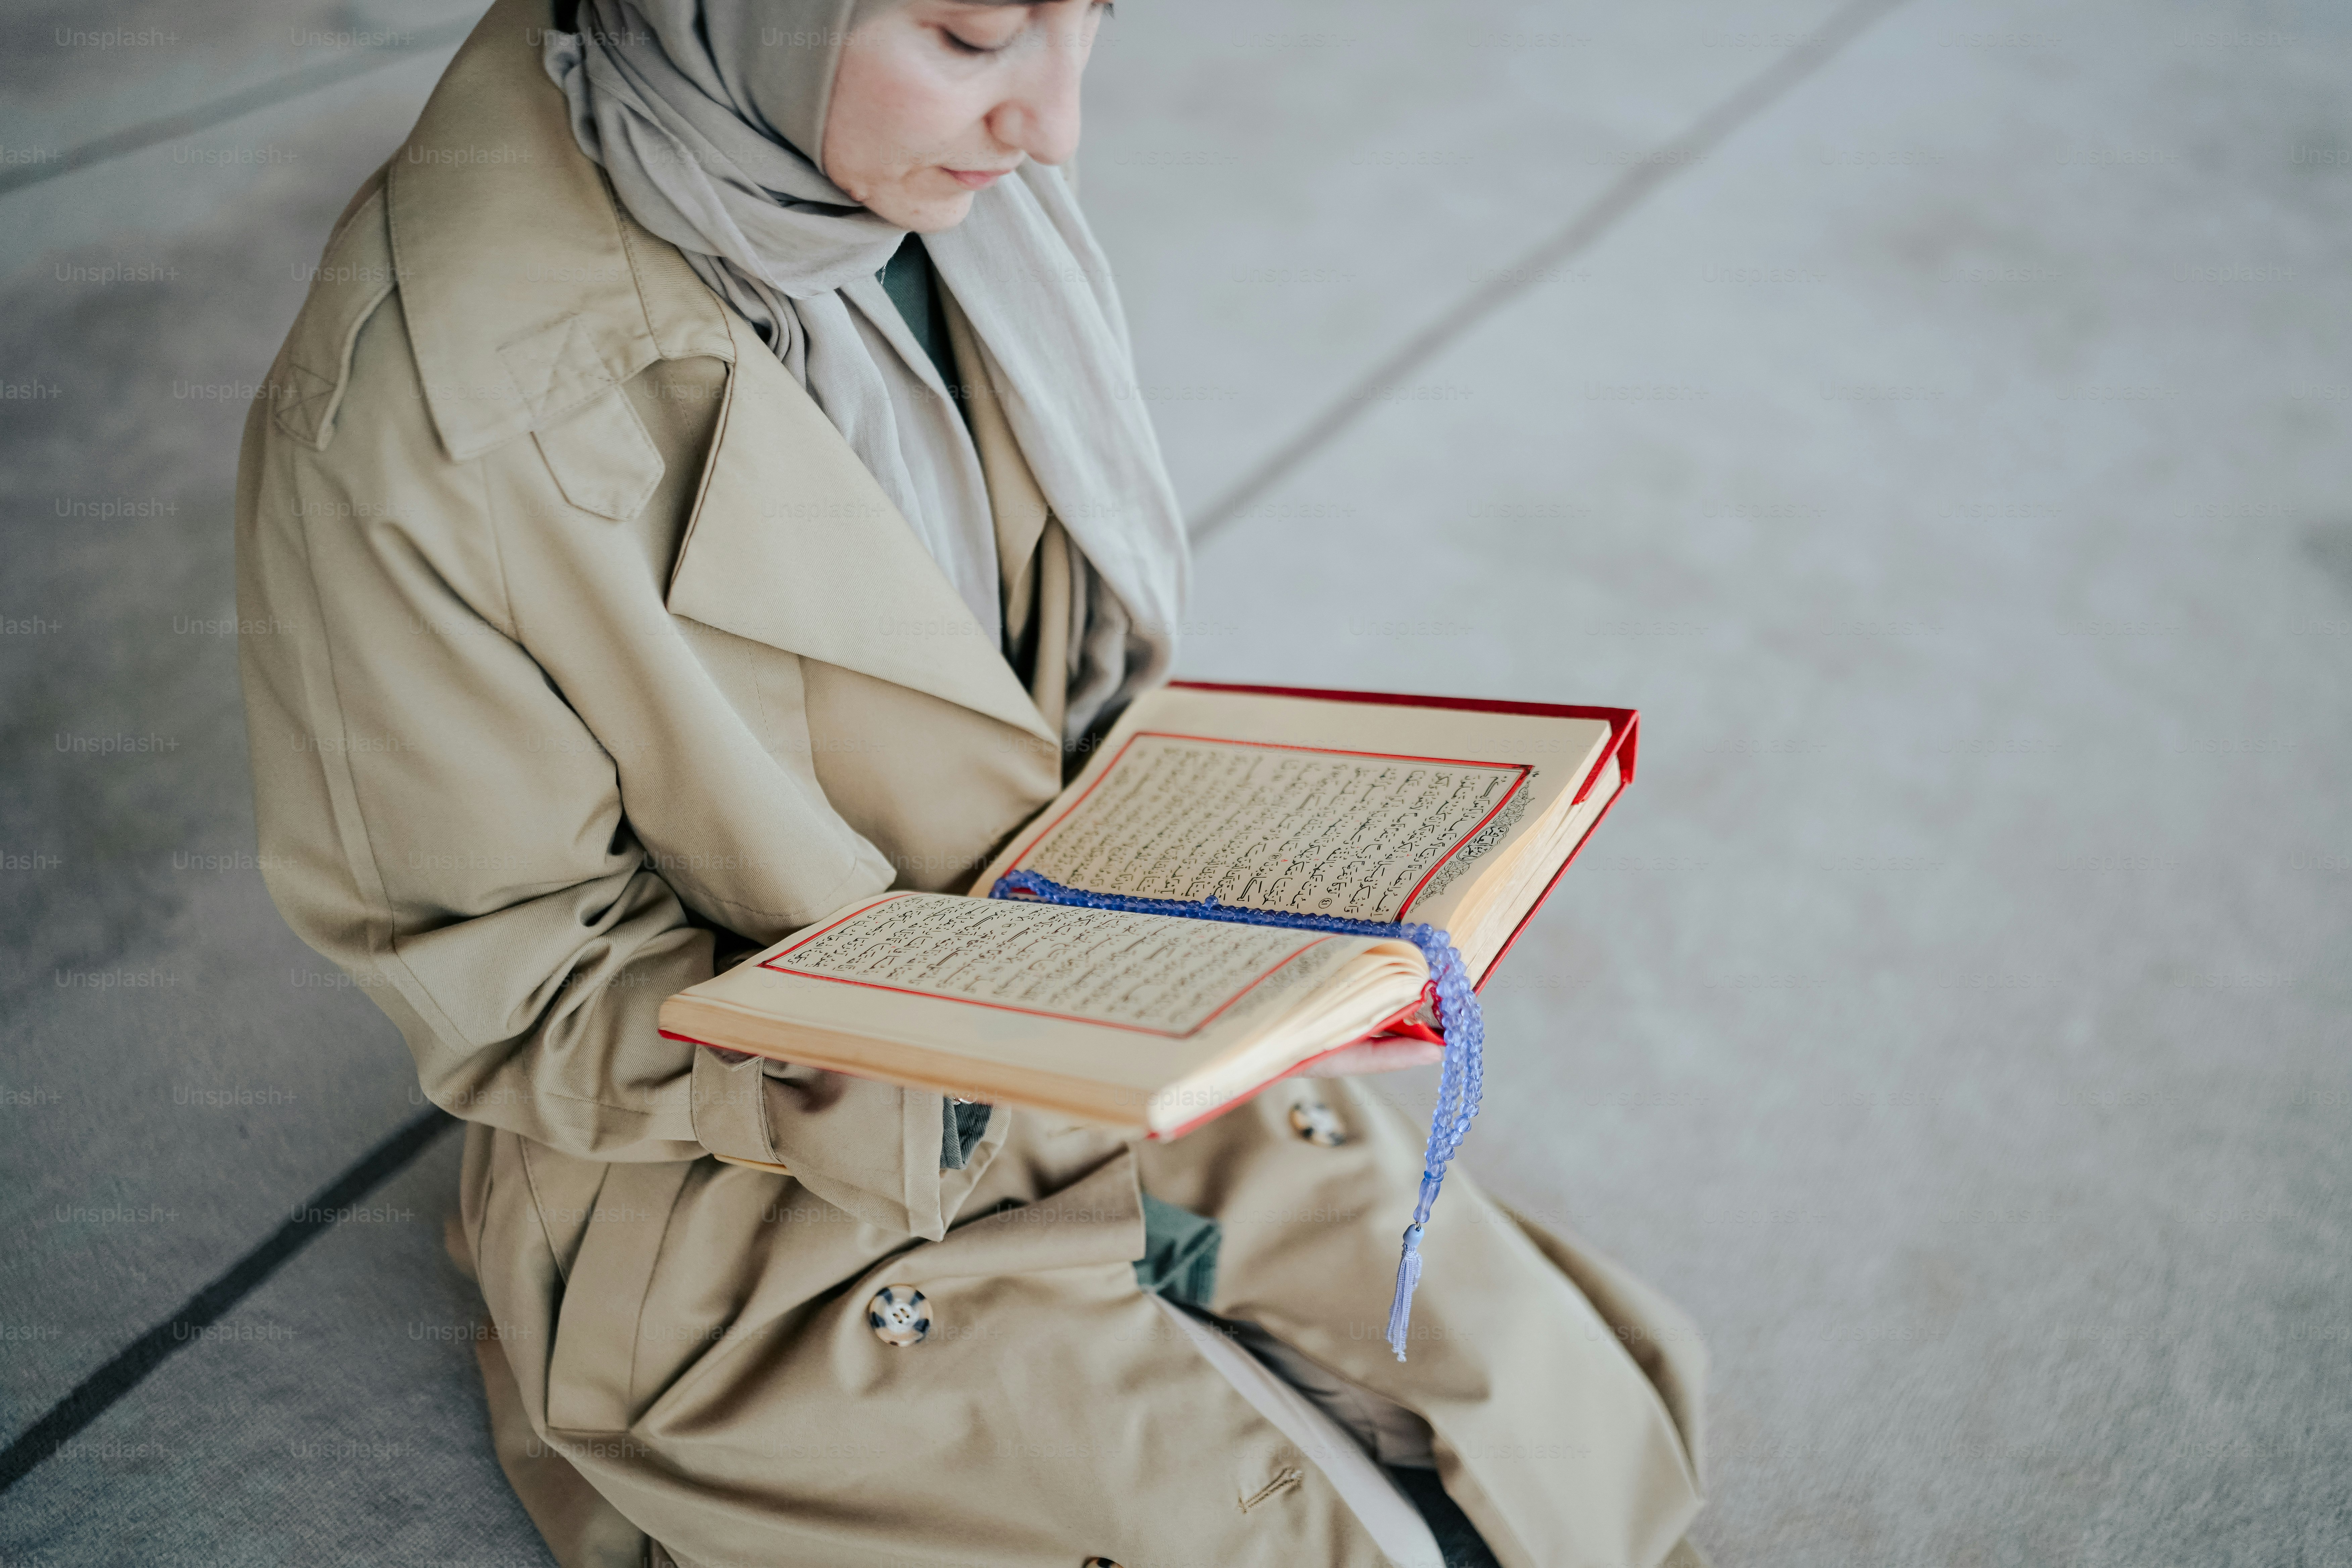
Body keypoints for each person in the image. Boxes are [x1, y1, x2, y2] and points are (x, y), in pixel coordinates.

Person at [236, 0, 1709, 1562]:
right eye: (971, 32)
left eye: (1091, 23)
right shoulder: (423, 419)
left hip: (1106, 1003)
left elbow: (1040, 681)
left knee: (1570, 1447)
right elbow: (512, 977)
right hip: (767, 1174)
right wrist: (919, 1078)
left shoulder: (930, 188)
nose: (1054, 128)